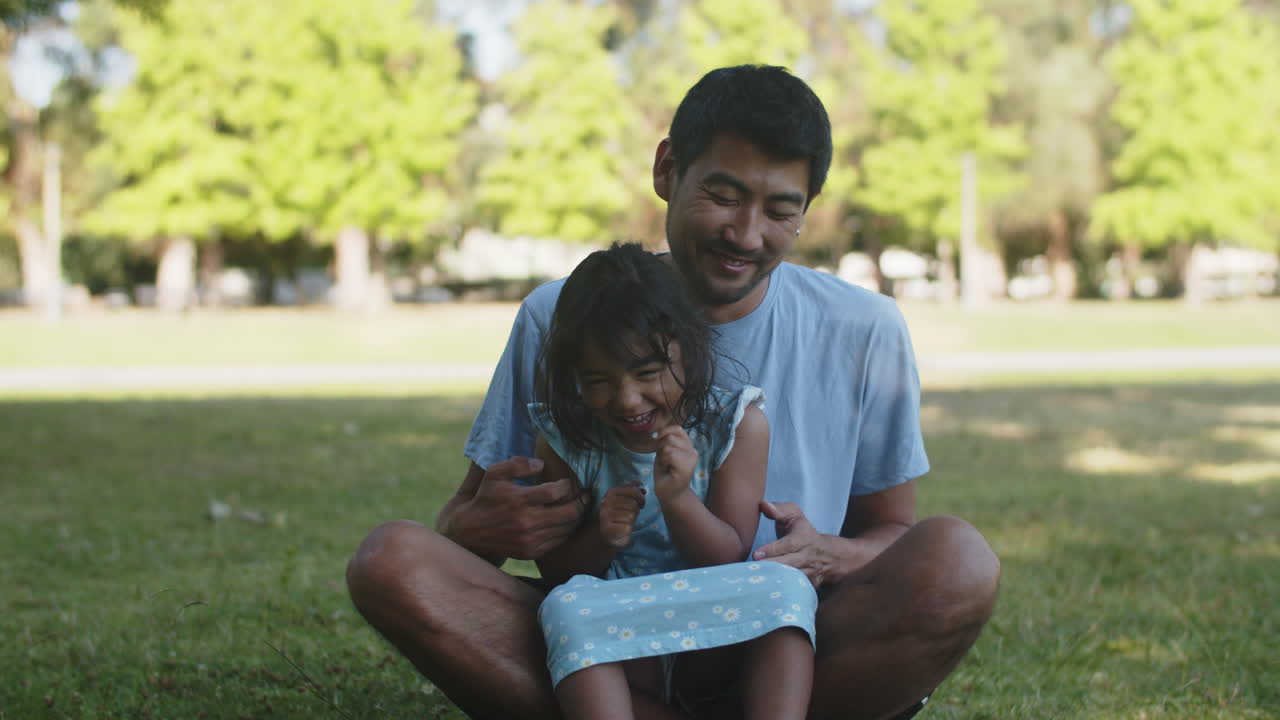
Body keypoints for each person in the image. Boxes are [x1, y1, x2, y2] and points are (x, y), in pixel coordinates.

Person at [346, 64, 1001, 720]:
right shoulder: (560, 318)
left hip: (784, 645)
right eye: (724, 195)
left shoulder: (864, 327)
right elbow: (472, 531)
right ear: (667, 170)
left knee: (960, 563)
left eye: (780, 210)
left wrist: (834, 554)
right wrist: (473, 527)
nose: (746, 234)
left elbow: (893, 530)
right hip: (607, 644)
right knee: (390, 561)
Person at [529, 242, 816, 720]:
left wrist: (679, 499)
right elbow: (556, 571)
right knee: (564, 606)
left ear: (690, 350)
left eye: (648, 372)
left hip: (716, 637)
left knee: (785, 588)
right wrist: (602, 536)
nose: (627, 399)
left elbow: (727, 555)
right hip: (619, 641)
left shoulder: (734, 424)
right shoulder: (567, 438)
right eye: (598, 380)